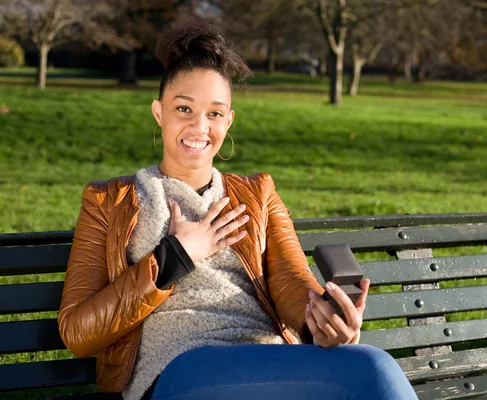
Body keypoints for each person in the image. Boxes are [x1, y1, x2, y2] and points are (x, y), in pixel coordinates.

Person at [57, 16, 418, 400]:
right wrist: (171, 258)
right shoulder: (109, 201)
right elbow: (77, 331)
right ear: (158, 112)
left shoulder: (257, 194)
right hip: (180, 369)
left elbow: (291, 281)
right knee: (372, 370)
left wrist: (320, 323)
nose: (199, 126)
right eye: (183, 109)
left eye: (214, 113)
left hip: (271, 365)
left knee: (370, 365)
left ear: (228, 122)